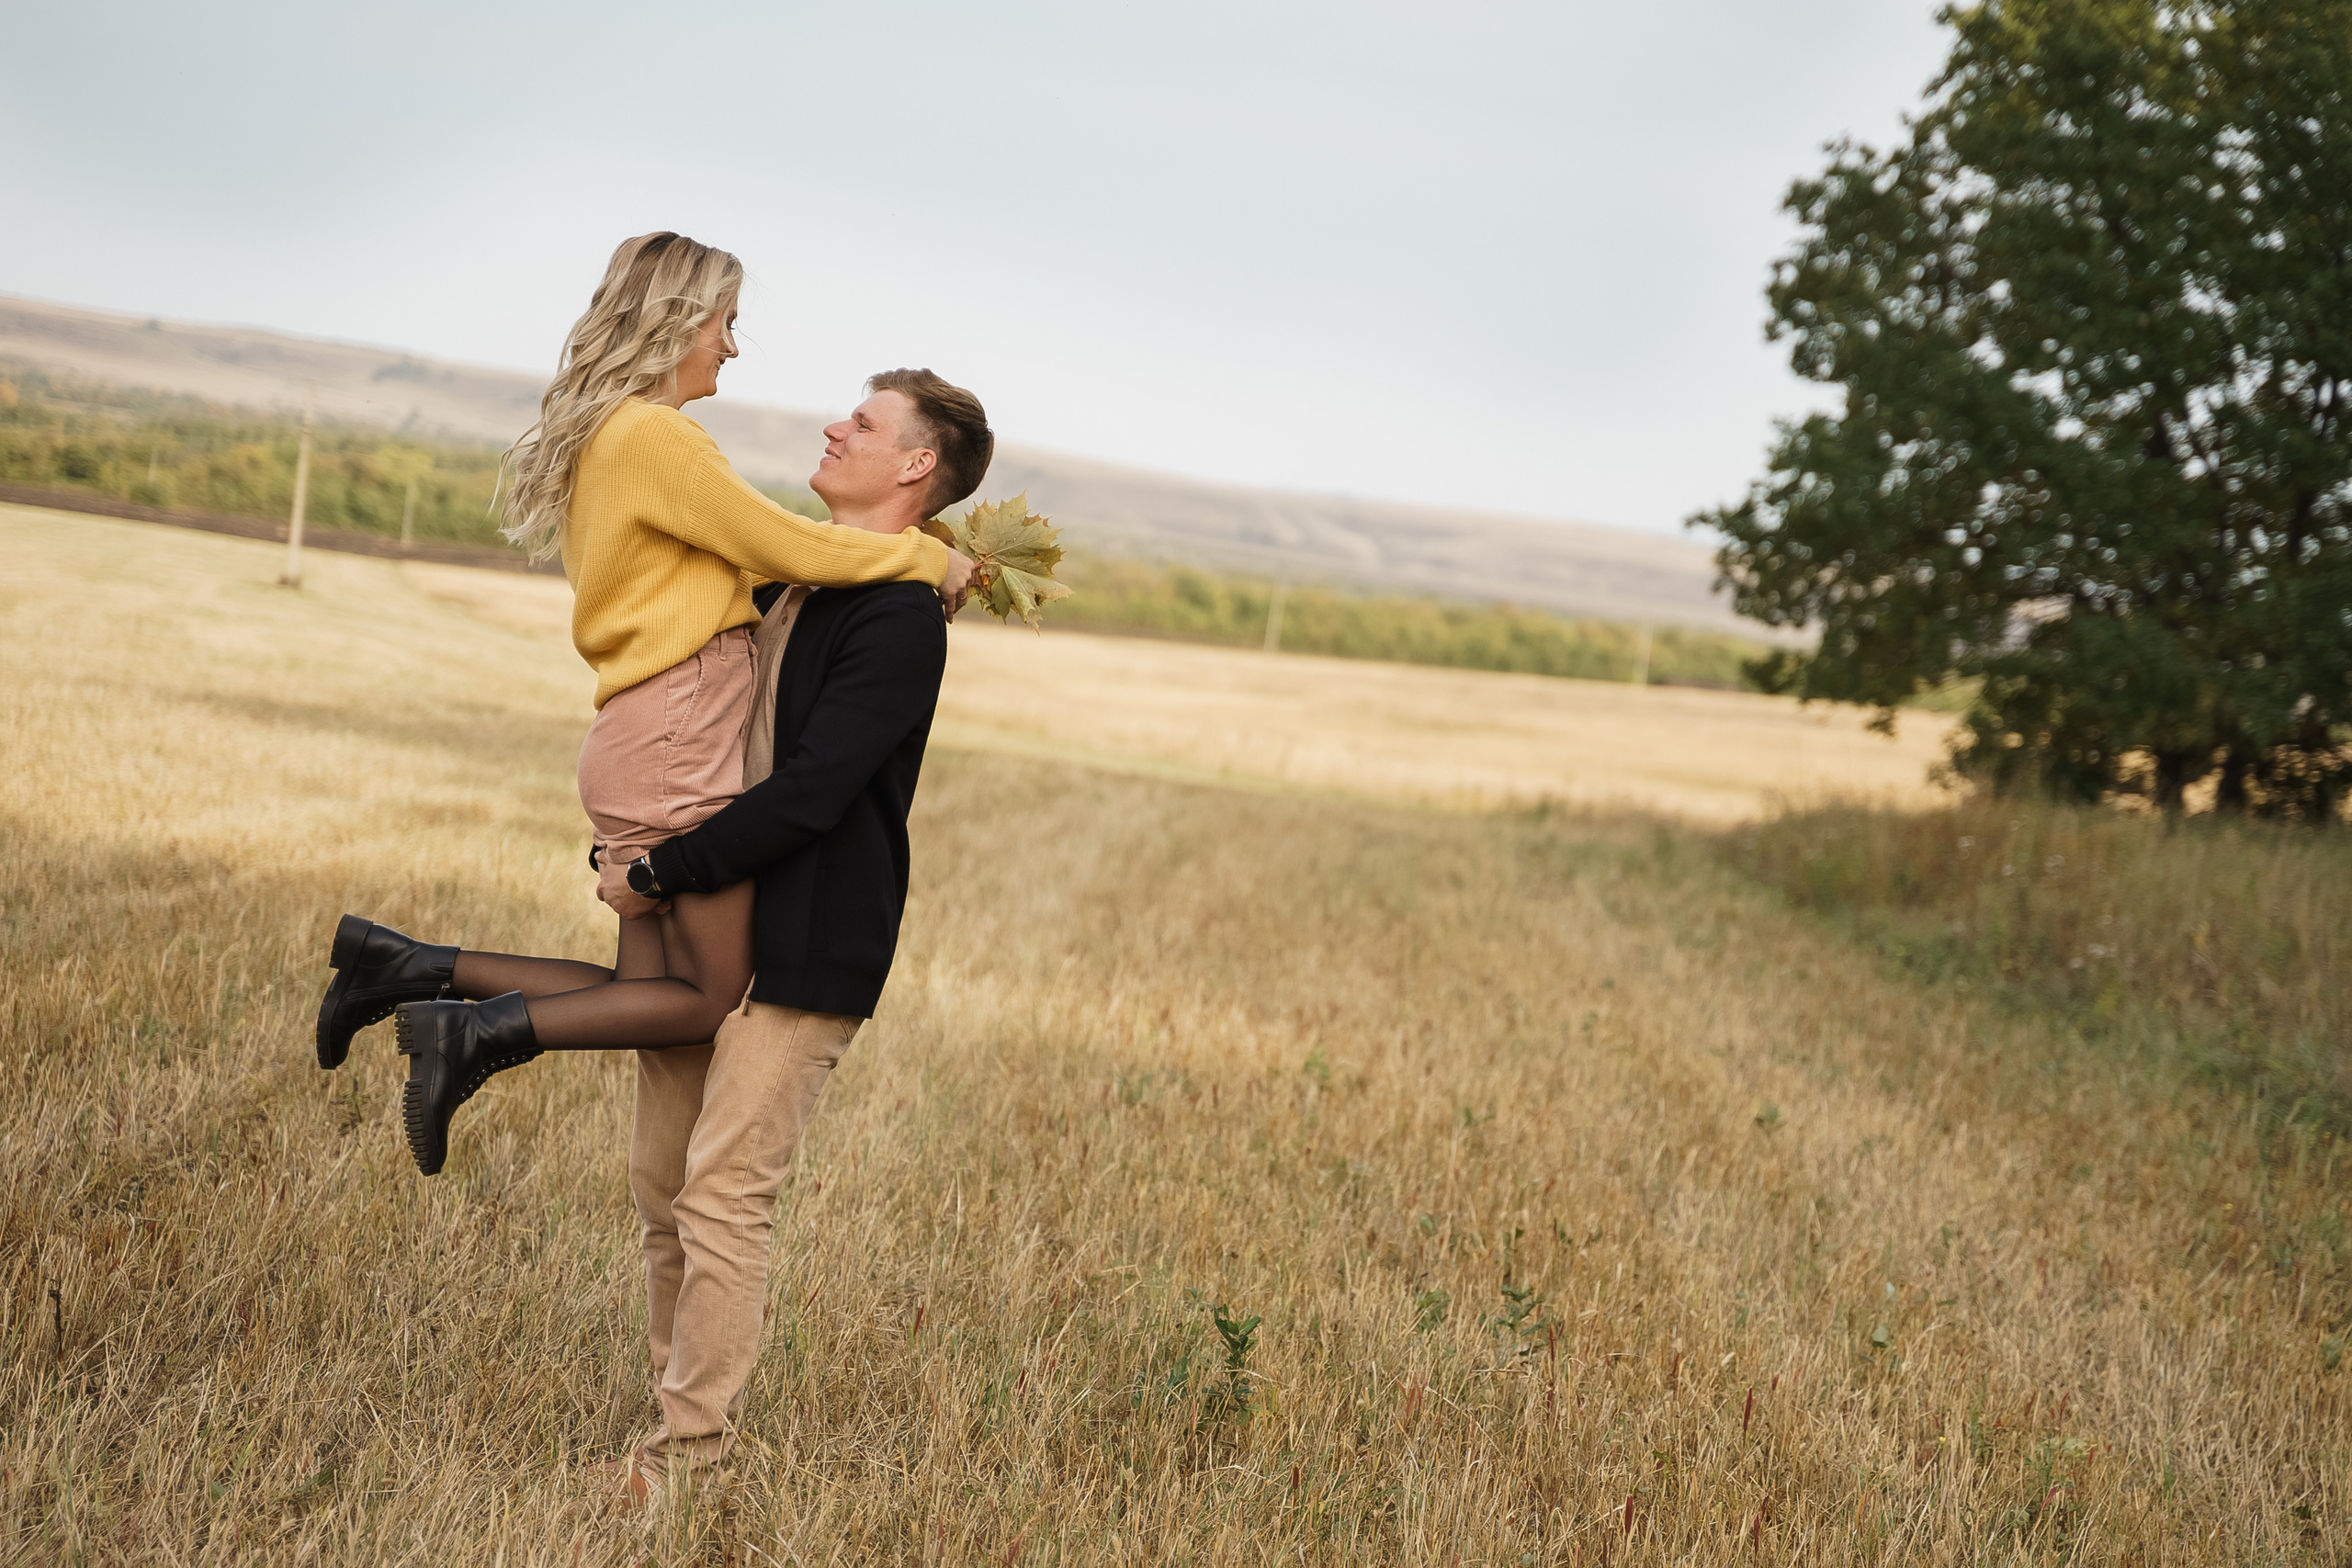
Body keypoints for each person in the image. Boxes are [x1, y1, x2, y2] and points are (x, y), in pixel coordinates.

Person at [310, 231, 974, 1180]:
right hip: (677, 724)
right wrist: (929, 559)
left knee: (646, 989)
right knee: (704, 998)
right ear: (678, 320)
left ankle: (406, 966)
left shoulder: (616, 435)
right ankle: (468, 1030)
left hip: (640, 725)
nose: (731, 348)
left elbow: (753, 562)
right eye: (725, 323)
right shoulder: (658, 438)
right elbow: (798, 550)